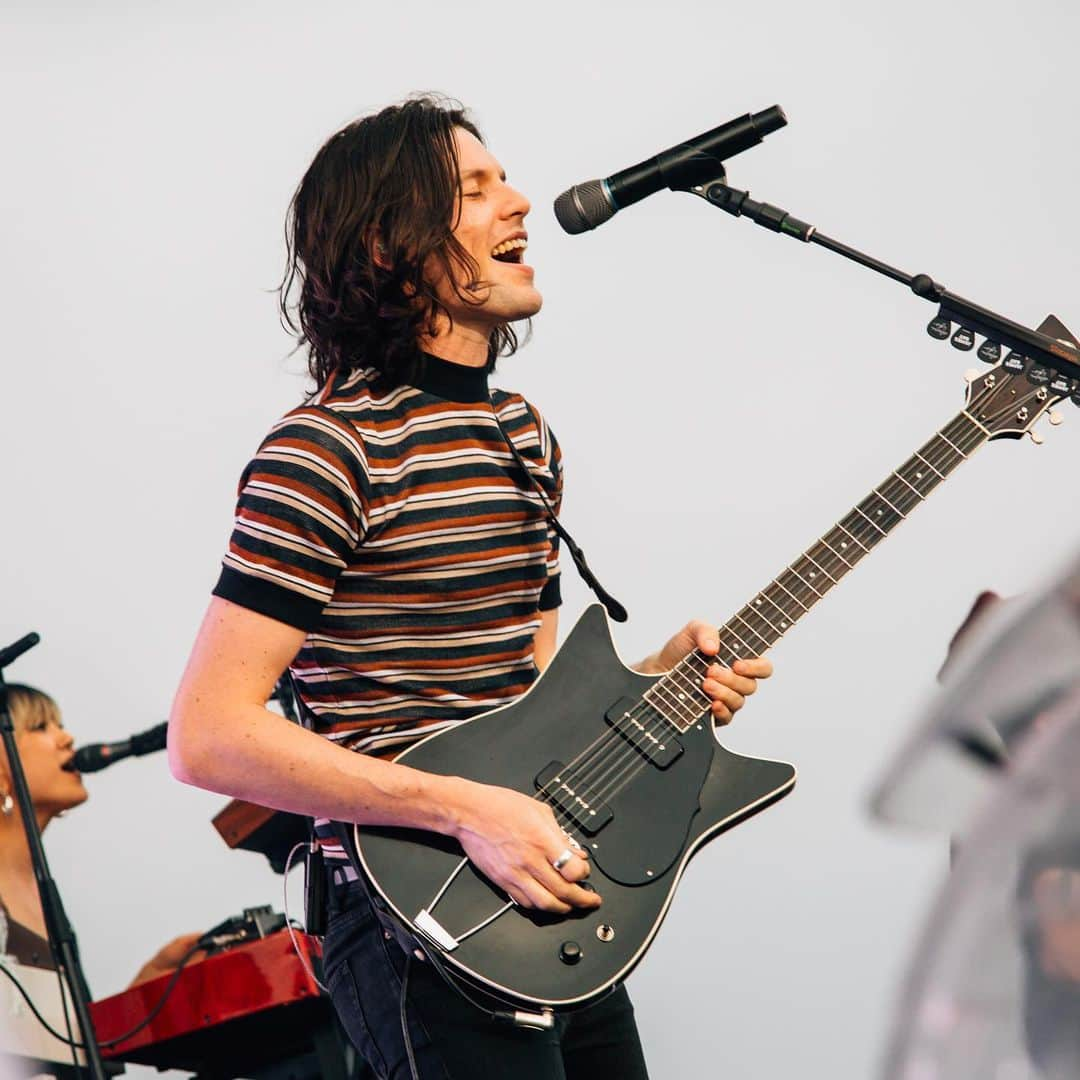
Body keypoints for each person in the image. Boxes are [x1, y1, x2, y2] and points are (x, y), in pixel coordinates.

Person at [168, 95, 774, 1079]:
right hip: (418, 928)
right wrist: (462, 810)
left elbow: (538, 707)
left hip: (550, 909)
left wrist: (659, 682)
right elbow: (209, 736)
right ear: (387, 247)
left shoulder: (521, 436)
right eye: (477, 189)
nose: (522, 203)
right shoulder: (327, 453)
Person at [0, 683, 201, 985]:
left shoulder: (44, 896)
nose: (67, 739)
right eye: (40, 727)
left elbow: (62, 1030)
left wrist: (150, 983)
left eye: (61, 726)